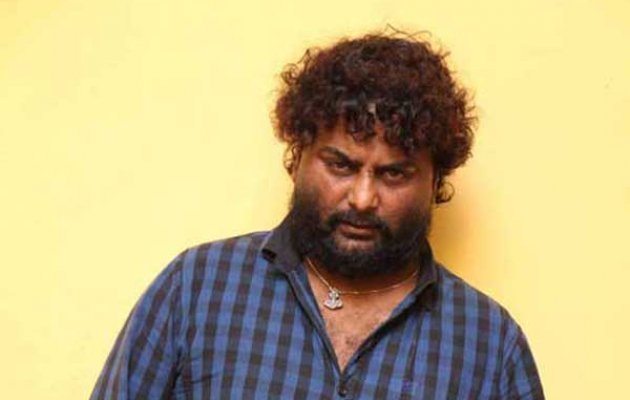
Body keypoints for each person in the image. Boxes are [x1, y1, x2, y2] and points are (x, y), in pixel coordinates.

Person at [91, 31, 544, 399]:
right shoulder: (197, 288)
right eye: (341, 165)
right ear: (298, 157)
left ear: (434, 180)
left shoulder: (490, 346)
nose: (363, 198)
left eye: (393, 173)